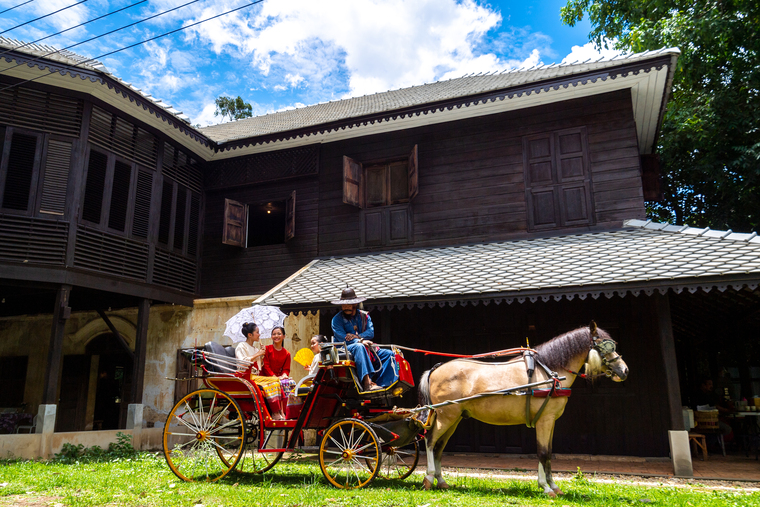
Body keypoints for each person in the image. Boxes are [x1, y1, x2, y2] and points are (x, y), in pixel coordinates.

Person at [330, 287, 398, 391]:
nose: (346, 307)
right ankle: (368, 383)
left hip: (361, 343)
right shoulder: (336, 319)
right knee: (359, 346)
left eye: (349, 304)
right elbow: (341, 337)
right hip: (344, 348)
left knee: (388, 354)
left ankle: (383, 385)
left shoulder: (364, 316)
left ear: (355, 304)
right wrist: (360, 341)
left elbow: (370, 333)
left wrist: (357, 336)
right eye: (344, 304)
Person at [237, 322, 287, 420]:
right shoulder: (241, 346)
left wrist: (262, 355)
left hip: (255, 376)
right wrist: (257, 354)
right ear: (250, 335)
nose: (259, 335)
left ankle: (280, 411)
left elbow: (259, 366)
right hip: (247, 377)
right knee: (274, 381)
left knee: (277, 381)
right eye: (257, 332)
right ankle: (275, 412)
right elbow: (241, 362)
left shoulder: (256, 349)